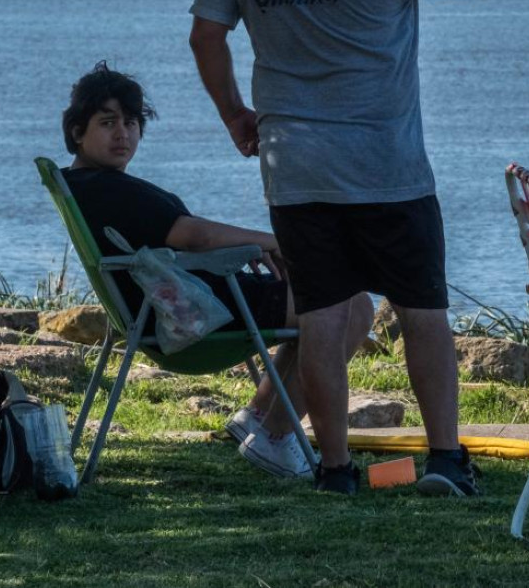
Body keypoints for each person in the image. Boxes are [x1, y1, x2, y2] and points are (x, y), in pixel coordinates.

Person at [188, 0, 493, 496]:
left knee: (322, 314)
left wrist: (236, 112)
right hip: (387, 166)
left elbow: (207, 34)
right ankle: (445, 460)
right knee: (421, 309)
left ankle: (334, 468)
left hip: (294, 167)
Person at [59, 61, 374, 480]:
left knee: (325, 299)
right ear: (78, 132)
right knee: (350, 305)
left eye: (131, 122)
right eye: (107, 122)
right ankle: (276, 437)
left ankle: (260, 416)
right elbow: (195, 237)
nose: (123, 133)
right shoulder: (108, 189)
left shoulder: (88, 183)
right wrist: (270, 241)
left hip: (179, 299)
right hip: (194, 312)